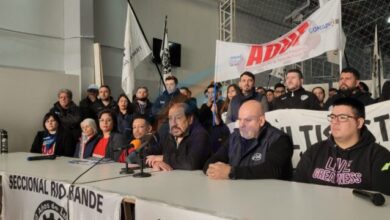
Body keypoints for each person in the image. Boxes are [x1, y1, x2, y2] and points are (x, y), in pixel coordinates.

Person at [295, 97, 390, 195]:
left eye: (342, 117)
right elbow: (298, 189)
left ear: (359, 123)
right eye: (332, 117)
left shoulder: (379, 156)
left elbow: (383, 199)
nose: (335, 122)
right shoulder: (314, 151)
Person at [203, 100, 293, 180]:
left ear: (261, 121)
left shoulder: (280, 139)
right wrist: (212, 170)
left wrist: (231, 172)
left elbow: (272, 170)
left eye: (248, 120)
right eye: (240, 119)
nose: (241, 125)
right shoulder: (234, 137)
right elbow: (213, 159)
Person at [146, 103, 211, 171]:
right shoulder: (168, 136)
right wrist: (155, 163)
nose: (173, 123)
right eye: (170, 118)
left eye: (178, 118)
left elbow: (191, 163)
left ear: (190, 119)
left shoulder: (200, 135)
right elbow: (141, 155)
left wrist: (164, 159)